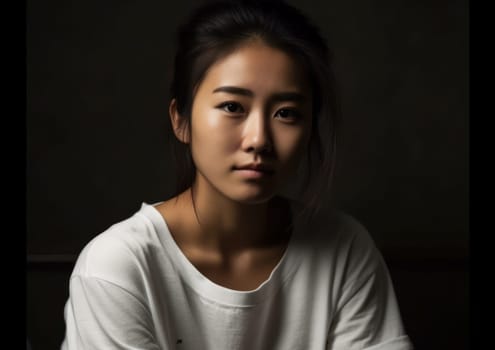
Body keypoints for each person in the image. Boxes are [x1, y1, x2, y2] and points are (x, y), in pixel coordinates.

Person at [61, 0, 413, 349]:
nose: (259, 139)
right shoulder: (118, 266)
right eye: (232, 107)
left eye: (287, 113)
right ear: (180, 119)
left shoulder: (344, 249)